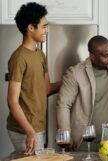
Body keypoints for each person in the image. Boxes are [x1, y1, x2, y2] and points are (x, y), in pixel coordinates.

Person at [56, 35, 108, 151]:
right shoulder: (75, 73)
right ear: (92, 56)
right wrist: (66, 134)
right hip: (83, 139)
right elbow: (63, 105)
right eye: (106, 55)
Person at [7, 2, 61, 155]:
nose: (47, 30)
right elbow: (12, 101)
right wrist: (29, 131)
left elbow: (47, 89)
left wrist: (71, 80)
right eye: (44, 26)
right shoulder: (18, 58)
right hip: (24, 129)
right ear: (31, 28)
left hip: (38, 126)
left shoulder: (40, 55)